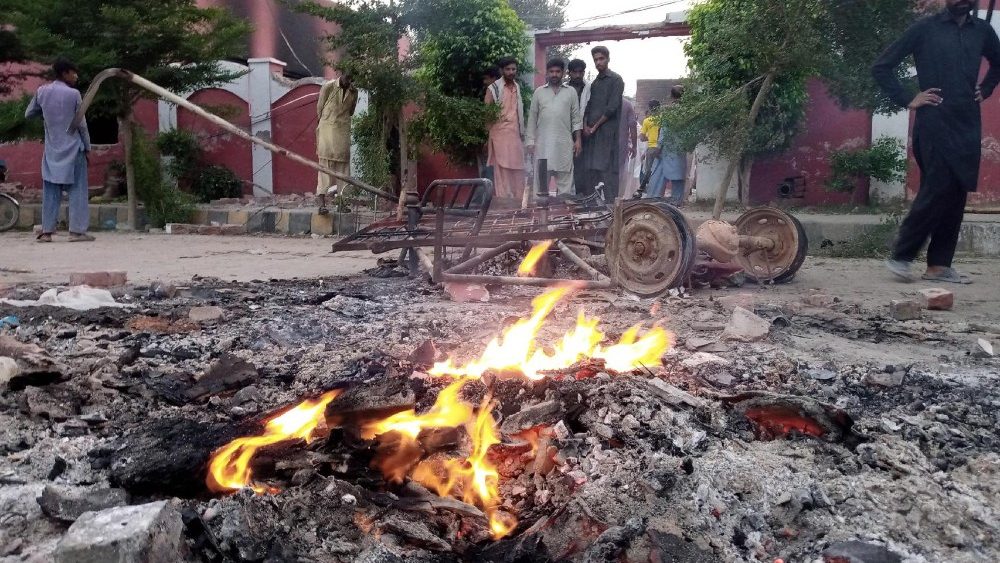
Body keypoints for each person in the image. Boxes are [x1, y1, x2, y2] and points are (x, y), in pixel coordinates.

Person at [873, 0, 1000, 284]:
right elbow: (882, 67)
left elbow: (998, 63)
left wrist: (987, 87)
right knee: (938, 186)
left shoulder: (983, 31)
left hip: (967, 123)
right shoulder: (925, 29)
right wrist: (908, 99)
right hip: (934, 122)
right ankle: (901, 256)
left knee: (956, 192)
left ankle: (939, 266)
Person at [25, 58, 93, 243]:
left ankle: (47, 232)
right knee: (78, 190)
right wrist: (87, 147)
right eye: (73, 72)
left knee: (51, 191)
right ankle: (77, 232)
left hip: (52, 150)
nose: (76, 76)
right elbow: (82, 125)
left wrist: (47, 116)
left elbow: (29, 114)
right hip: (74, 148)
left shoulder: (41, 91)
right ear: (65, 73)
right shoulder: (74, 94)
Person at [526, 58, 583, 196]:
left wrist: (578, 140)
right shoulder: (539, 92)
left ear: (563, 73)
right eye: (551, 71)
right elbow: (532, 118)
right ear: (547, 73)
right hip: (543, 146)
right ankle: (541, 210)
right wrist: (530, 141)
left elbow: (576, 119)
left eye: (557, 71)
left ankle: (563, 210)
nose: (554, 74)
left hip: (564, 146)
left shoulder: (571, 92)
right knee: (541, 190)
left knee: (565, 190)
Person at [581, 46, 625, 200]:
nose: (598, 62)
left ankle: (612, 210)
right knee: (592, 174)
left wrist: (595, 126)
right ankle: (593, 210)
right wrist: (585, 126)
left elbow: (612, 108)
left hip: (607, 136)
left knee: (608, 174)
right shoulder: (594, 83)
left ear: (608, 59)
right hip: (592, 137)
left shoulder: (616, 80)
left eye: (601, 59)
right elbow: (588, 106)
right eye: (596, 60)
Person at [316, 70, 358, 215]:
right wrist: (326, 123)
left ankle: (341, 203)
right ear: (341, 74)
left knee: (343, 170)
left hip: (342, 132)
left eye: (351, 79)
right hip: (327, 131)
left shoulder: (354, 92)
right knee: (324, 167)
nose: (349, 81)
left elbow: (351, 112)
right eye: (347, 78)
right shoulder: (328, 87)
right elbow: (319, 109)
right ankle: (321, 204)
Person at [485, 57, 526, 200]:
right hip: (499, 136)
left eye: (513, 69)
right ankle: (505, 203)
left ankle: (519, 201)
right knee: (502, 171)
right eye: (508, 69)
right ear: (502, 71)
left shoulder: (517, 87)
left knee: (518, 169)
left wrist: (522, 132)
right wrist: (488, 137)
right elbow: (487, 115)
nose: (511, 72)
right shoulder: (493, 88)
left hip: (515, 135)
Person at [647, 85, 687, 204]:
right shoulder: (688, 112)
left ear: (671, 96)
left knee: (659, 174)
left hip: (667, 149)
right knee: (678, 176)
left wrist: (658, 146)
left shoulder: (669, 111)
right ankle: (676, 202)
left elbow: (664, 130)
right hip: (680, 149)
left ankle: (654, 200)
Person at [567, 59, 589, 194]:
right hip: (566, 130)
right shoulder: (563, 88)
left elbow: (590, 109)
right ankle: (563, 197)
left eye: (580, 72)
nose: (578, 75)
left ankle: (581, 196)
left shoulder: (589, 87)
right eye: (574, 72)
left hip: (584, 132)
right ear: (569, 73)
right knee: (564, 165)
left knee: (581, 165)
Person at [618, 97, 638, 199]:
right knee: (621, 173)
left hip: (603, 146)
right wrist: (634, 146)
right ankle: (617, 199)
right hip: (621, 146)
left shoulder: (603, 102)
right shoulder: (627, 104)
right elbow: (632, 126)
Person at [639, 100, 661, 180]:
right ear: (659, 108)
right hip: (662, 148)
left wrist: (650, 138)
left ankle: (645, 184)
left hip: (651, 148)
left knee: (648, 171)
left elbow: (641, 138)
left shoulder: (647, 121)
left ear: (650, 108)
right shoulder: (663, 119)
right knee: (660, 171)